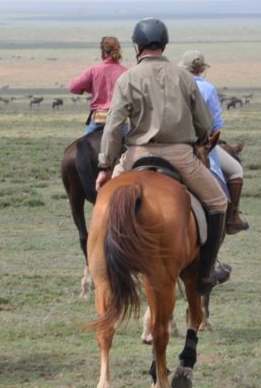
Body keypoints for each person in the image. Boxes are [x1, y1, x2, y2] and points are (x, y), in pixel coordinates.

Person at [95, 18, 228, 292]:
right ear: (164, 45)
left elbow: (114, 127)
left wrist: (105, 166)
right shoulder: (184, 77)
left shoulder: (127, 78)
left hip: (137, 155)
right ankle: (205, 273)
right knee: (218, 204)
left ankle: (102, 269)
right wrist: (200, 141)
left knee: (104, 204)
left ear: (137, 46)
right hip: (180, 154)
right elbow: (204, 122)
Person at [181, 50, 249, 234]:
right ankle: (232, 219)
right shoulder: (208, 89)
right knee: (236, 170)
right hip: (200, 145)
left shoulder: (174, 85)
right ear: (202, 69)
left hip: (173, 143)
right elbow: (217, 124)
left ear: (183, 67)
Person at [68, 37, 128, 135]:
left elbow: (73, 87)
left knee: (81, 147)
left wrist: (90, 88)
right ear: (118, 50)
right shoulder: (126, 73)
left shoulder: (94, 70)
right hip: (120, 122)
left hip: (98, 121)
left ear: (102, 51)